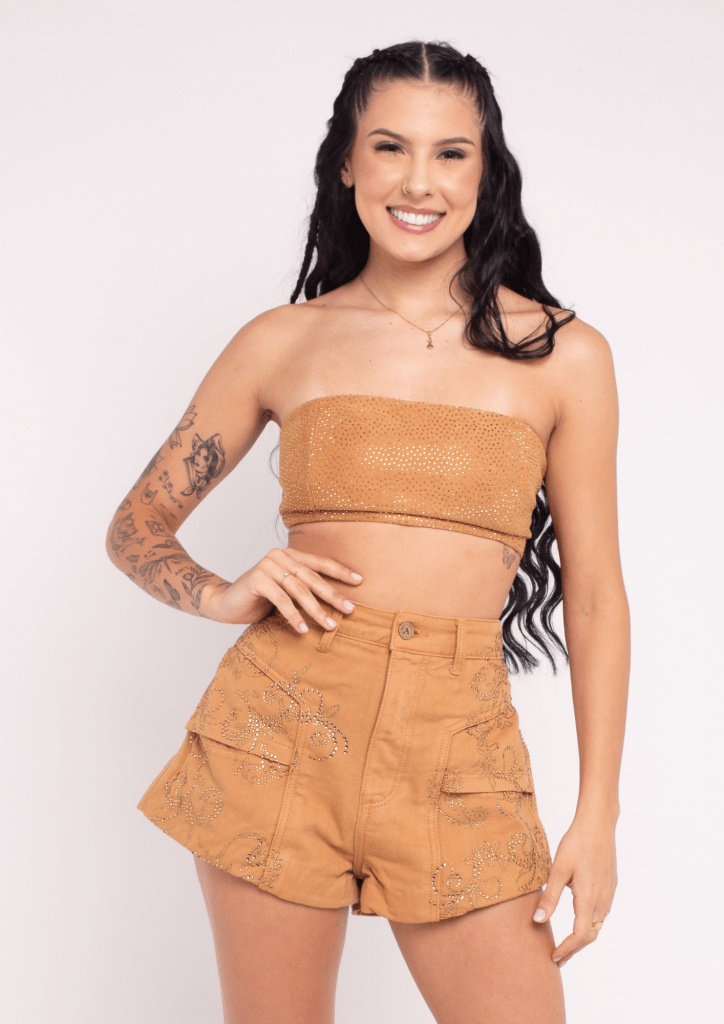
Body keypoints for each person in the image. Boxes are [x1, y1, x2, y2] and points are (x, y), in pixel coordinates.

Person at [107, 39, 629, 1024]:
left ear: (485, 171)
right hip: (277, 734)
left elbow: (596, 596)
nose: (417, 181)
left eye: (450, 153)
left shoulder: (564, 356)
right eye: (390, 147)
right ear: (346, 163)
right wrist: (222, 593)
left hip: (459, 749)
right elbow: (137, 526)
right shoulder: (282, 341)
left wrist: (596, 811)